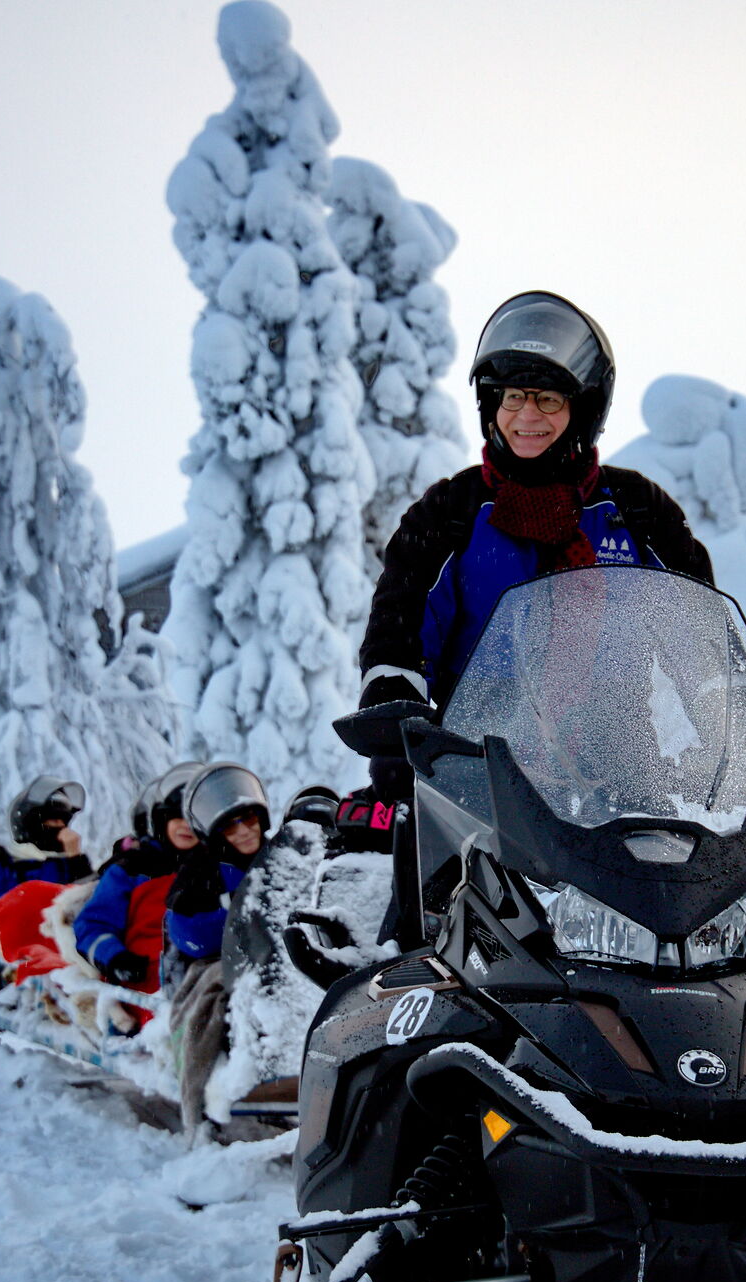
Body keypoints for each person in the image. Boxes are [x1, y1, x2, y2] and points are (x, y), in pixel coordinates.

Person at [356, 291, 714, 743]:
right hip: (475, 772)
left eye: (547, 399)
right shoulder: (451, 511)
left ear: (581, 410)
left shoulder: (636, 509)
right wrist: (392, 724)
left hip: (620, 774)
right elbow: (399, 631)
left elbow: (704, 643)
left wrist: (742, 734)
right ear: (492, 406)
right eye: (512, 397)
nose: (527, 415)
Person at [161, 762, 271, 1133]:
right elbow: (186, 933)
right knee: (210, 1002)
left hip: (278, 957)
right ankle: (199, 1099)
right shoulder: (201, 868)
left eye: (248, 820)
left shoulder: (280, 855)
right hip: (215, 961)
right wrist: (236, 910)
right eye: (230, 825)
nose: (243, 832)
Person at [74, 761, 203, 994]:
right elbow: (92, 924)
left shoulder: (215, 867)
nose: (186, 826)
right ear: (162, 820)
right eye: (177, 817)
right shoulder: (133, 869)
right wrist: (115, 957)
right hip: (146, 980)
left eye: (193, 819)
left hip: (202, 977)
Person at [0, 776, 91, 993]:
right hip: (21, 943)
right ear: (32, 823)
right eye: (52, 821)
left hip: (64, 939)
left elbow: (88, 898)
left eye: (63, 821)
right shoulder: (7, 862)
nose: (61, 828)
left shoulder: (68, 863)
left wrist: (77, 859)